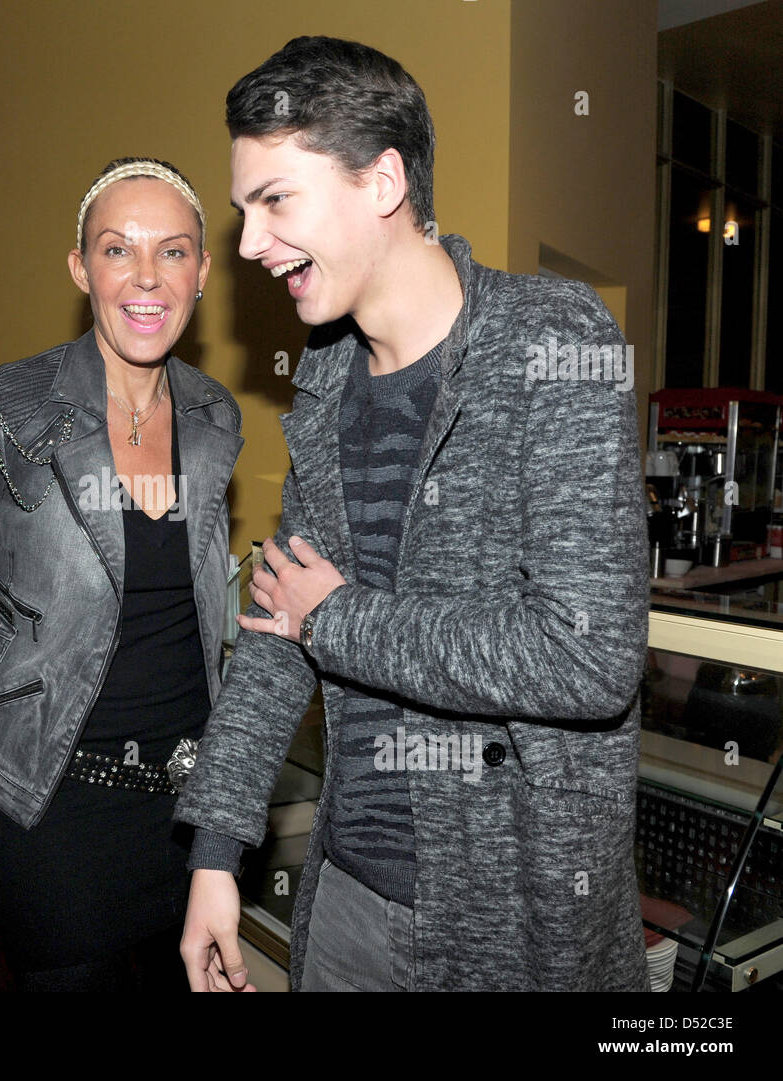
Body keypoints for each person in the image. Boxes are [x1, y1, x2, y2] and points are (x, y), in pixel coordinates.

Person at [174, 37, 650, 992]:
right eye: (243, 212)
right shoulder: (326, 381)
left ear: (382, 181)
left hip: (515, 918)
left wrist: (340, 617)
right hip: (347, 895)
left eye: (275, 201)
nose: (251, 244)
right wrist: (216, 852)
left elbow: (588, 655)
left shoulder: (552, 341)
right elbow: (279, 627)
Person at [0, 158, 241, 991]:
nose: (147, 277)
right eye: (118, 250)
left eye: (174, 251)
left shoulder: (217, 415)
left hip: (193, 810)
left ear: (202, 272)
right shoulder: (9, 406)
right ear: (81, 269)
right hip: (59, 808)